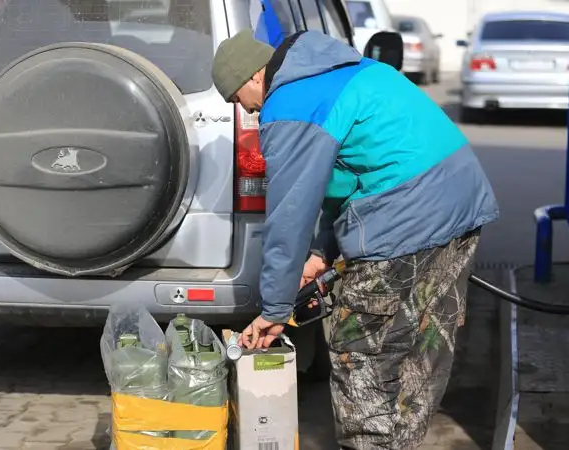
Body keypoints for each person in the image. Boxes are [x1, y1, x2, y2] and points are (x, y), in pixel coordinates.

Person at [211, 29, 499, 449]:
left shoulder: (290, 103)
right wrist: (320, 253)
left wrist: (274, 308)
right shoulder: (341, 70)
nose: (245, 109)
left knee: (360, 357)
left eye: (237, 97)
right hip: (459, 207)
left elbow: (290, 212)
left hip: (405, 216)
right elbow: (341, 180)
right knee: (420, 351)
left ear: (254, 77)